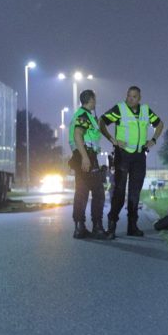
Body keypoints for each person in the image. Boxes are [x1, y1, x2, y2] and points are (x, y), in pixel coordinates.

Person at [99, 86, 165, 238]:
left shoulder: (145, 110)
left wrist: (153, 140)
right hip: (122, 155)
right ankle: (112, 225)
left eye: (134, 97)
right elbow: (101, 121)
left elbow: (160, 124)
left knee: (135, 193)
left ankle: (132, 226)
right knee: (119, 193)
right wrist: (112, 140)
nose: (130, 99)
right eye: (129, 96)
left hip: (139, 156)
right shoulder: (119, 109)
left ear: (139, 98)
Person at [68, 89, 108, 239]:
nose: (95, 102)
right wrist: (85, 158)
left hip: (81, 155)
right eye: (94, 99)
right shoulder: (83, 115)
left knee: (82, 192)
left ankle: (80, 227)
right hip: (86, 155)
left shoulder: (84, 115)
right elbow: (78, 135)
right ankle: (97, 227)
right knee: (98, 192)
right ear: (91, 99)